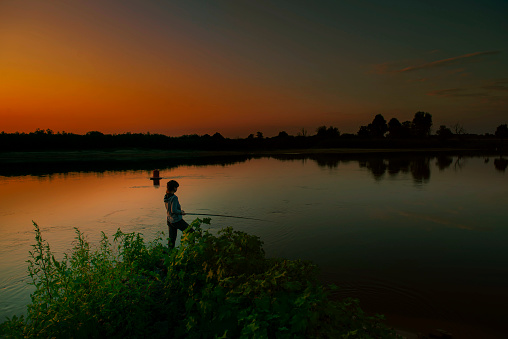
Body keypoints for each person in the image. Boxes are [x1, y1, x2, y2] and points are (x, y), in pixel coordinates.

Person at [164, 180, 192, 248]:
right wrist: (181, 212)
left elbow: (170, 209)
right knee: (191, 232)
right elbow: (173, 210)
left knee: (172, 239)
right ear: (174, 188)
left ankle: (169, 254)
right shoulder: (174, 198)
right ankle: (192, 250)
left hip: (169, 220)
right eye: (176, 187)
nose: (177, 189)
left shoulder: (166, 196)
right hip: (176, 220)